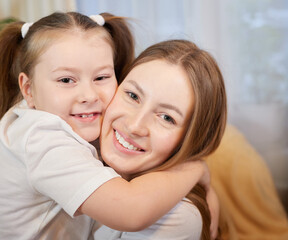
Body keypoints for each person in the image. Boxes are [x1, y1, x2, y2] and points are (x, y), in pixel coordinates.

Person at [0, 12, 214, 240]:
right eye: (66, 80)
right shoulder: (42, 137)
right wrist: (195, 168)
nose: (88, 95)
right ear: (28, 89)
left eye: (101, 77)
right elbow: (130, 211)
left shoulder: (39, 115)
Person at [92, 39, 226, 239]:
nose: (135, 126)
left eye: (167, 118)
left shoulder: (178, 217)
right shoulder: (70, 144)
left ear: (190, 141)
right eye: (133, 95)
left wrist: (194, 167)